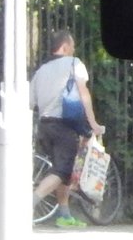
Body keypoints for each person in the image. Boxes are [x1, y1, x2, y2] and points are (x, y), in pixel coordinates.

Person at [29, 30, 104, 227]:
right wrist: (93, 123)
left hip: (44, 126)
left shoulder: (41, 71)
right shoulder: (74, 63)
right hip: (64, 126)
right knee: (63, 170)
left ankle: (64, 215)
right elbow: (83, 93)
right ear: (65, 46)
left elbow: (30, 102)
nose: (74, 49)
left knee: (60, 169)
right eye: (72, 45)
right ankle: (27, 205)